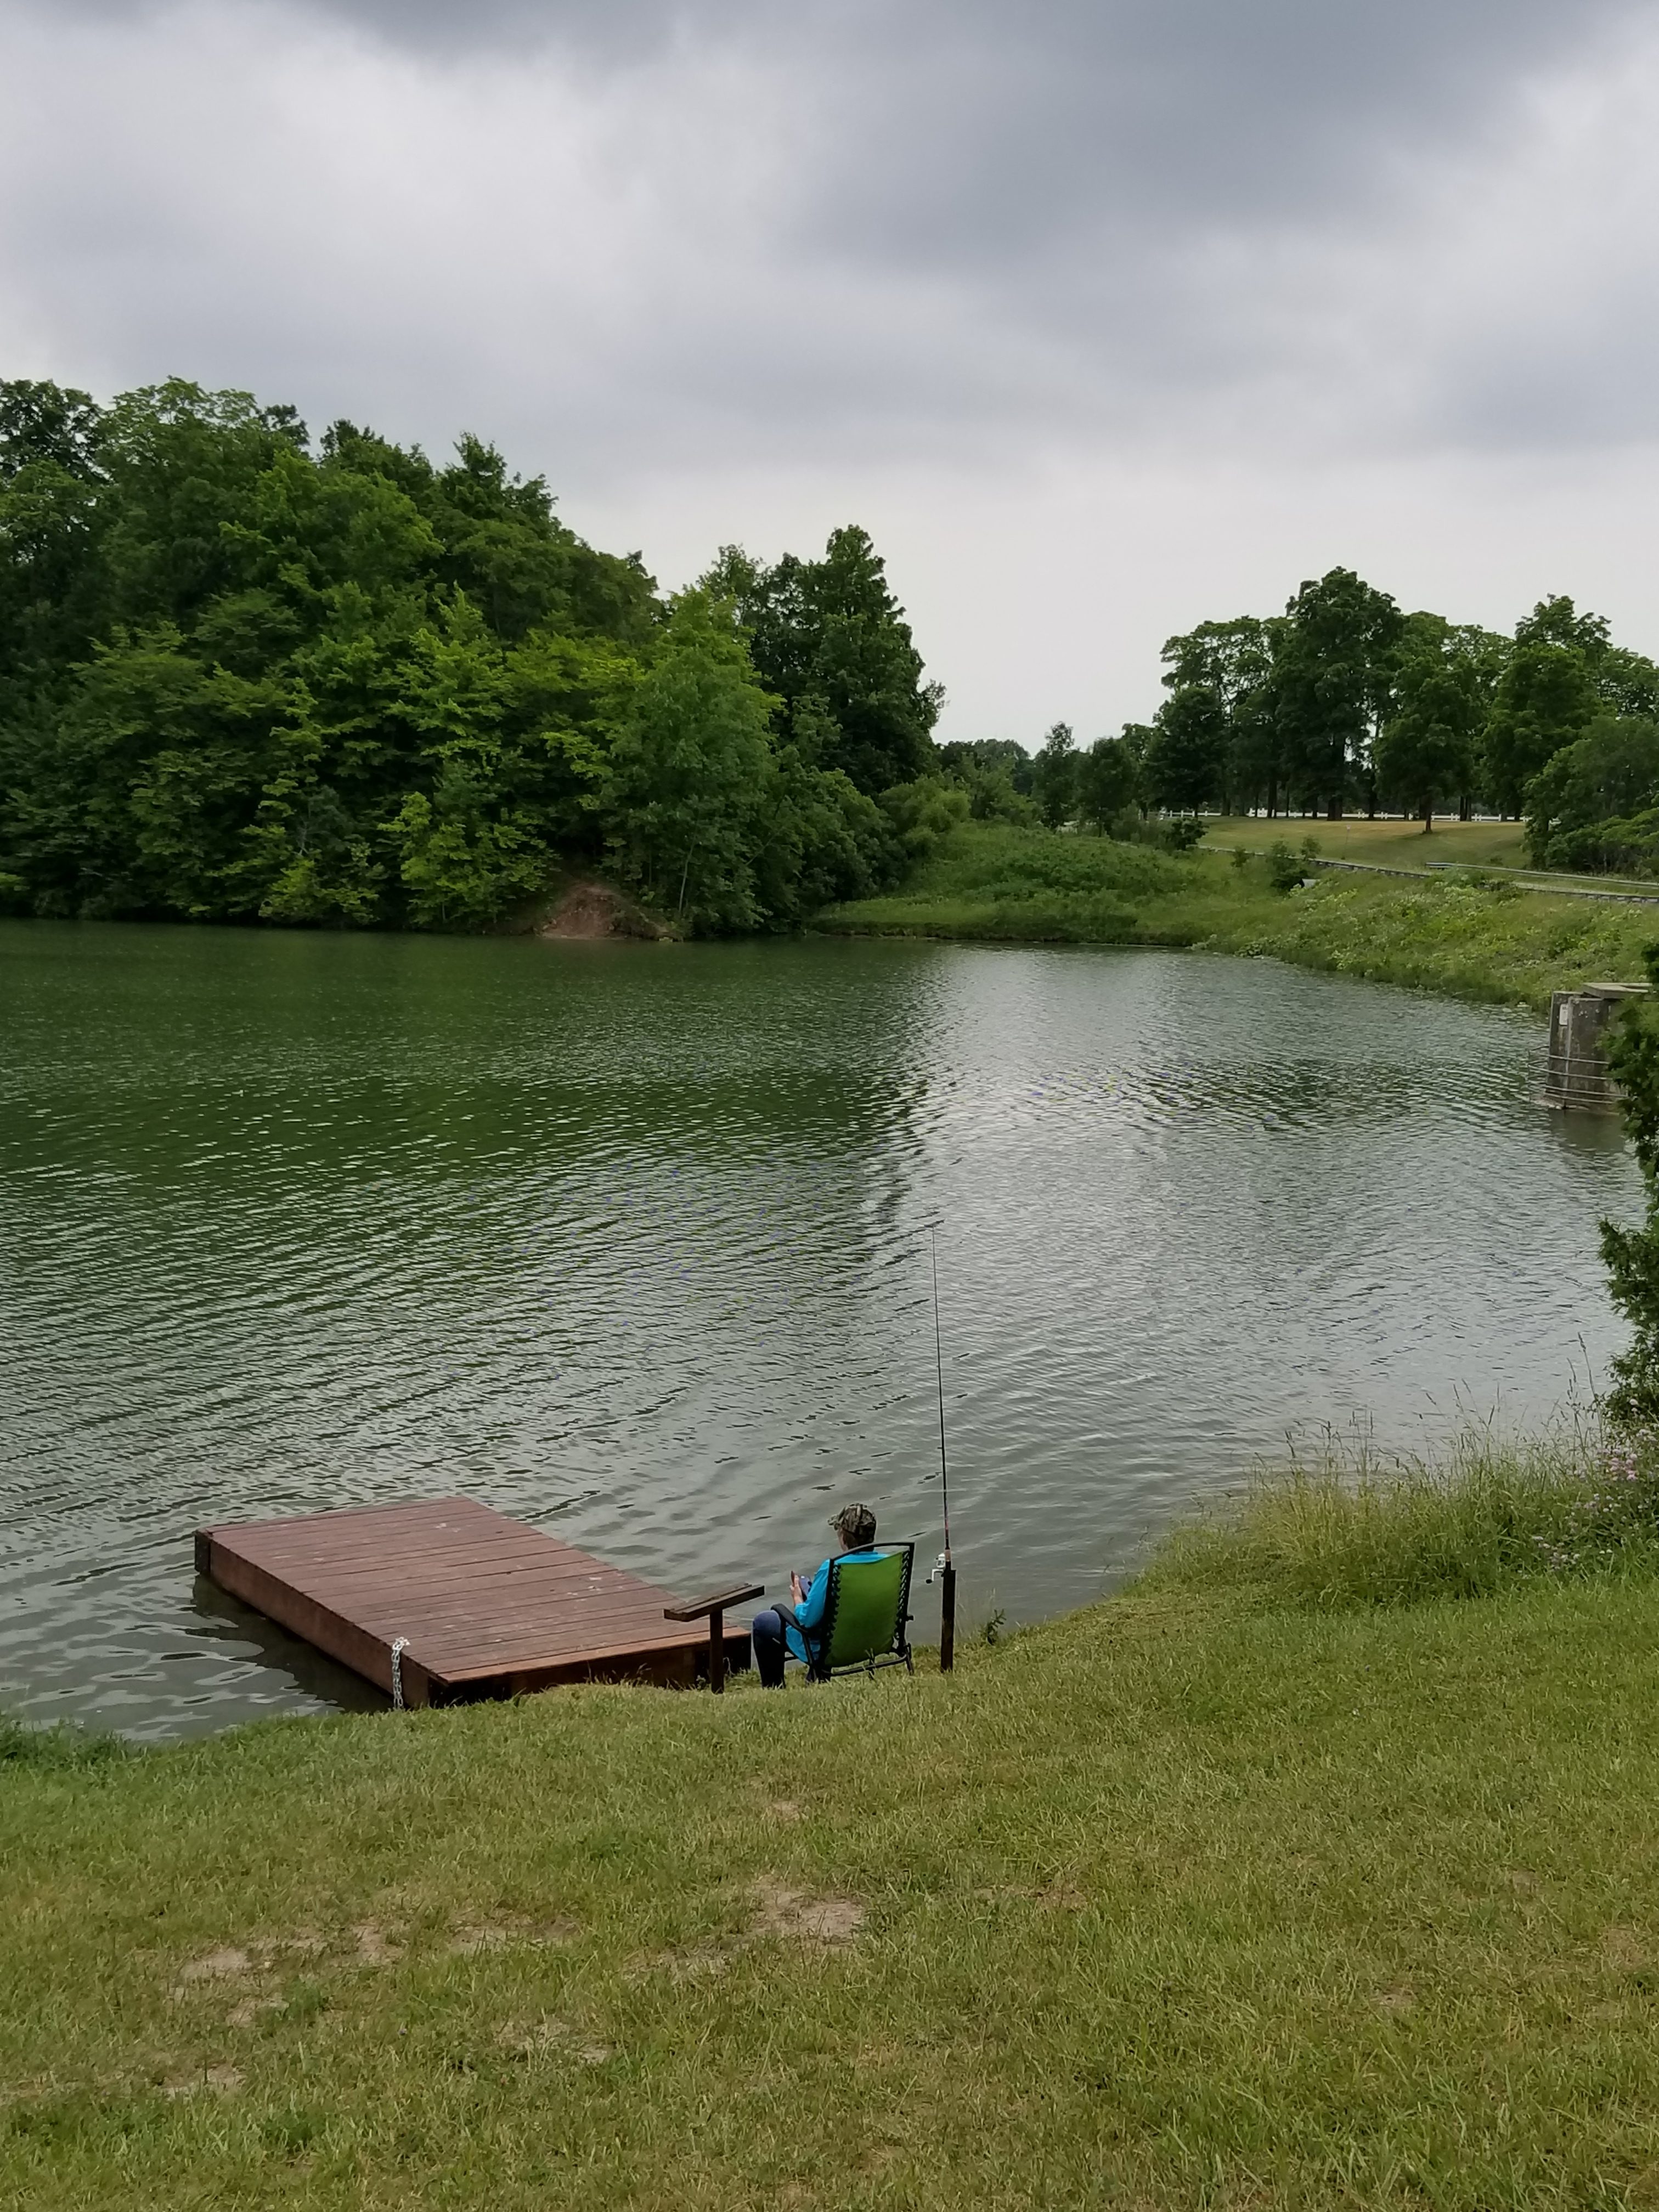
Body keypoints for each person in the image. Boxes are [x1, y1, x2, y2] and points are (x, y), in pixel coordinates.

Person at [751, 1502, 882, 1688]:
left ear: (843, 1537)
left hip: (830, 1649)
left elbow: (807, 1620)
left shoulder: (832, 1569)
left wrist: (798, 1598)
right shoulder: (889, 1563)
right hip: (873, 1641)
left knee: (763, 1622)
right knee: (829, 1615)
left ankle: (774, 1688)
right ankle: (816, 1677)